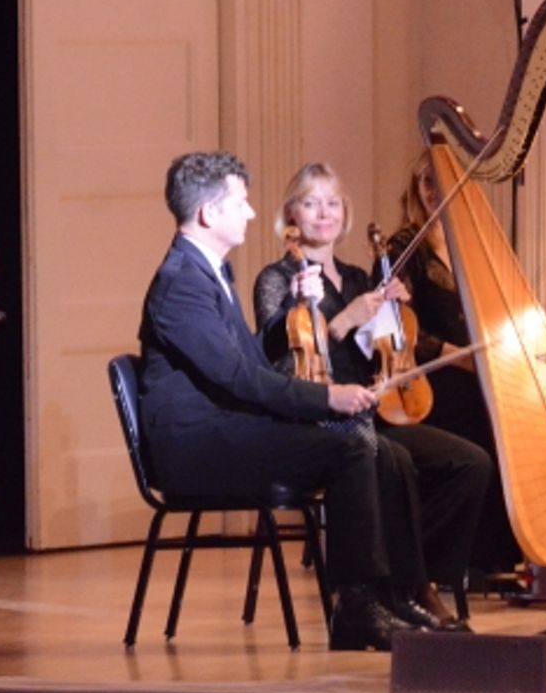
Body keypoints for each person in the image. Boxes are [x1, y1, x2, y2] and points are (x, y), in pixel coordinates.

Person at [138, 150, 414, 650]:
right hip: (196, 447)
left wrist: (297, 328)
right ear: (208, 213)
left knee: (374, 448)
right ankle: (356, 609)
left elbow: (248, 361)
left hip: (223, 430)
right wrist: (326, 398)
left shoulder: (207, 271)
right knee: (351, 448)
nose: (250, 212)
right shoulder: (181, 284)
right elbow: (240, 379)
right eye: (240, 203)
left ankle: (391, 595)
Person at [252, 162, 489, 631]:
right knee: (392, 459)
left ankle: (415, 577)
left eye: (332, 203)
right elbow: (277, 364)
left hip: (371, 410)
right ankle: (403, 591)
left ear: (345, 212)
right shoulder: (277, 280)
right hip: (321, 417)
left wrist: (393, 320)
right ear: (292, 214)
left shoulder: (360, 278)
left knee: (470, 464)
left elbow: (381, 351)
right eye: (311, 203)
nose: (324, 213)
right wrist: (345, 320)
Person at [381, 153, 523, 578]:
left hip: (477, 372)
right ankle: (467, 558)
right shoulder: (403, 248)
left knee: (510, 418)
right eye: (426, 181)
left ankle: (502, 553)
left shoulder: (473, 244)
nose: (433, 190)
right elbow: (400, 331)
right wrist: (459, 358)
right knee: (481, 416)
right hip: (431, 381)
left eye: (440, 180)